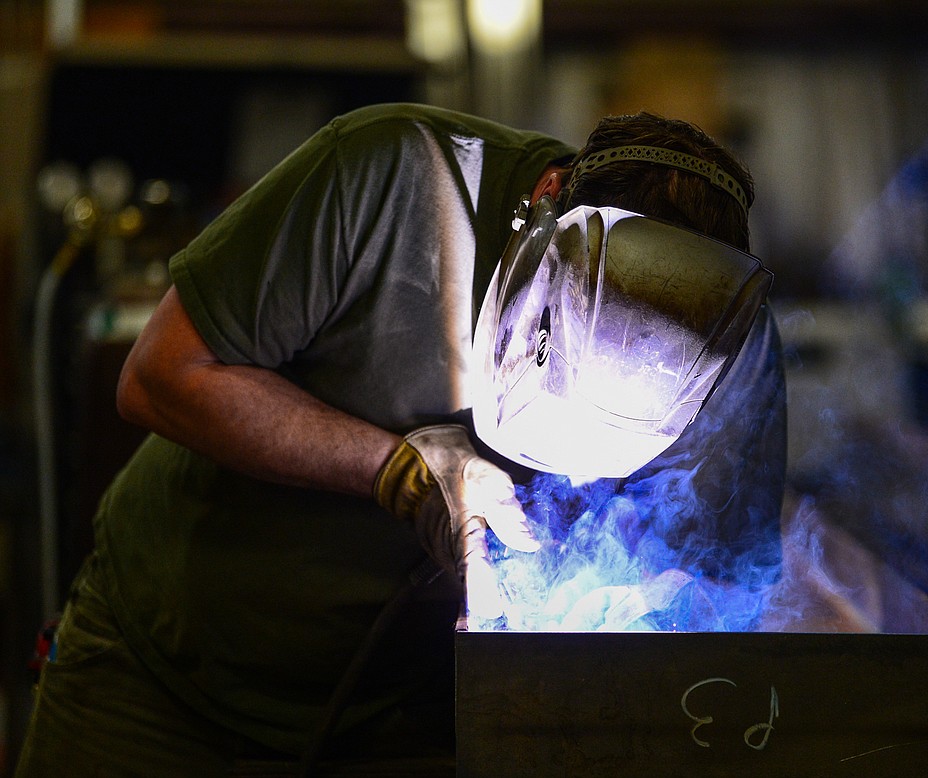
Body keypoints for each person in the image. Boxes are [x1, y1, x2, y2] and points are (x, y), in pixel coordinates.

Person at [16, 103, 786, 775]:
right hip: (166, 674)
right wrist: (406, 470)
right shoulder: (390, 177)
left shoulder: (729, 346)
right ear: (547, 202)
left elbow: (724, 596)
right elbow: (158, 374)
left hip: (416, 723)